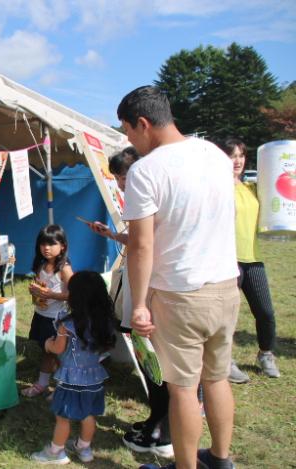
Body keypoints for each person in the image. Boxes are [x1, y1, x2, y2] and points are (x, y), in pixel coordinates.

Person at [118, 86, 240, 469]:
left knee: (184, 388)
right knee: (216, 378)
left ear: (143, 123)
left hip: (180, 293)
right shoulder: (215, 154)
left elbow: (140, 245)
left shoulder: (146, 170)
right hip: (225, 285)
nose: (129, 141)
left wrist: (138, 305)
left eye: (127, 131)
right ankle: (220, 459)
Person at [86, 147, 174, 458]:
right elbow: (139, 242)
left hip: (152, 292)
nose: (122, 184)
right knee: (148, 359)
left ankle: (163, 430)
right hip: (143, 290)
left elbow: (147, 246)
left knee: (157, 360)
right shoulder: (142, 196)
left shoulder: (153, 193)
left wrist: (139, 304)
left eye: (123, 177)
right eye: (119, 179)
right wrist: (112, 235)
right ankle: (156, 419)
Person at [31, 271, 117, 464]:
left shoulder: (67, 324)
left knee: (63, 417)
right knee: (88, 415)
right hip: (95, 378)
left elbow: (57, 348)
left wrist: (47, 344)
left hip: (71, 379)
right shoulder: (105, 322)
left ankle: (56, 452)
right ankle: (84, 449)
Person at [219, 137, 280, 382]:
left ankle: (266, 354)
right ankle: (226, 361)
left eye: (241, 156)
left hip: (252, 259)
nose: (237, 161)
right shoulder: (216, 187)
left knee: (265, 312)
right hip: (225, 260)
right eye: (232, 155)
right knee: (227, 317)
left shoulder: (252, 188)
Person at [22, 224, 74, 397]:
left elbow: (72, 294)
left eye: (51, 244)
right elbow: (40, 287)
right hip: (41, 315)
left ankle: (63, 386)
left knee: (59, 354)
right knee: (46, 351)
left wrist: (50, 294)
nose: (46, 248)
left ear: (63, 246)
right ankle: (42, 384)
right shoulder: (41, 265)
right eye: (43, 244)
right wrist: (35, 291)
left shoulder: (64, 269)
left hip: (57, 319)